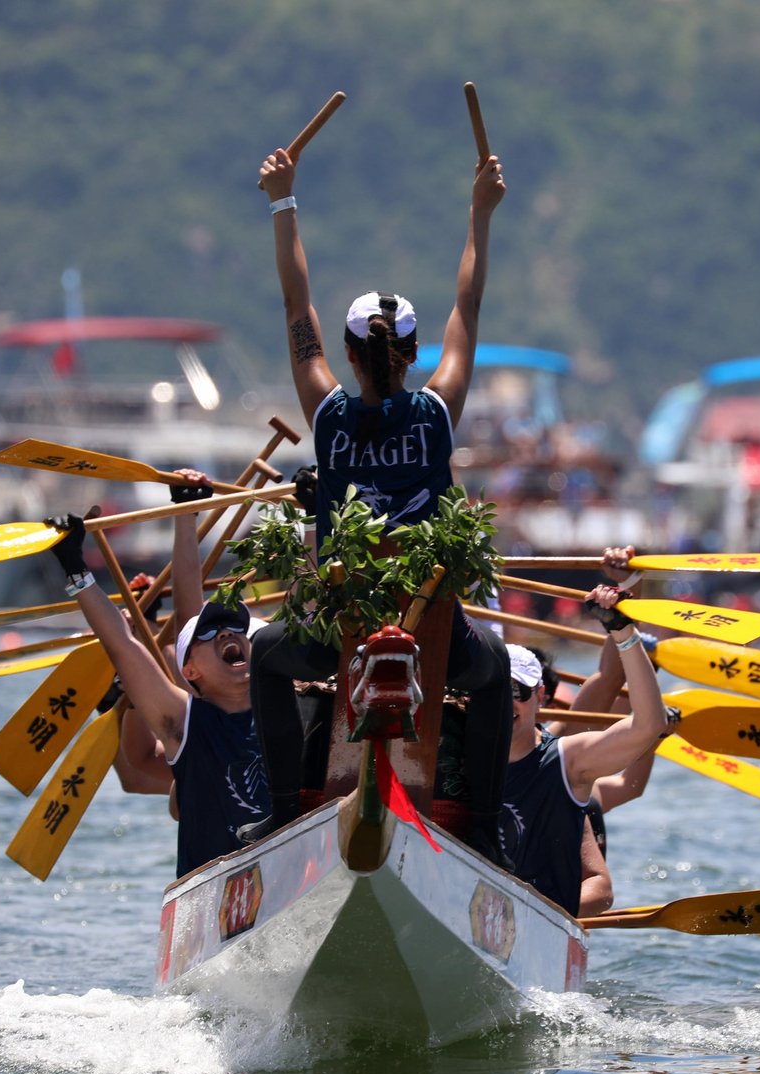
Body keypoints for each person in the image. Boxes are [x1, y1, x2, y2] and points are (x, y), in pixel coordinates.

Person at [243, 136, 512, 865]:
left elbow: (294, 300)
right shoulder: (438, 410)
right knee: (497, 676)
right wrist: (479, 212)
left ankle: (274, 814)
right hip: (432, 633)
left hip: (338, 632)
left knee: (267, 656)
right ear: (416, 351)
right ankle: (483, 826)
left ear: (347, 354)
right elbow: (471, 300)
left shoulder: (324, 411)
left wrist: (283, 201)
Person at [45, 475, 270, 879]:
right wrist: (76, 569)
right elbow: (124, 646)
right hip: (218, 887)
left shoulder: (291, 704)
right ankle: (121, 695)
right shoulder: (188, 722)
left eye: (238, 630)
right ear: (190, 673)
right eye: (210, 635)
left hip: (284, 869)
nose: (226, 633)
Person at [497, 582, 668, 917]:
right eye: (494, 690)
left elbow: (645, 728)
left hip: (538, 918)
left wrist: (623, 632)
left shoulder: (567, 759)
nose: (505, 701)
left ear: (541, 697)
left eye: (517, 691)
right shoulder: (459, 752)